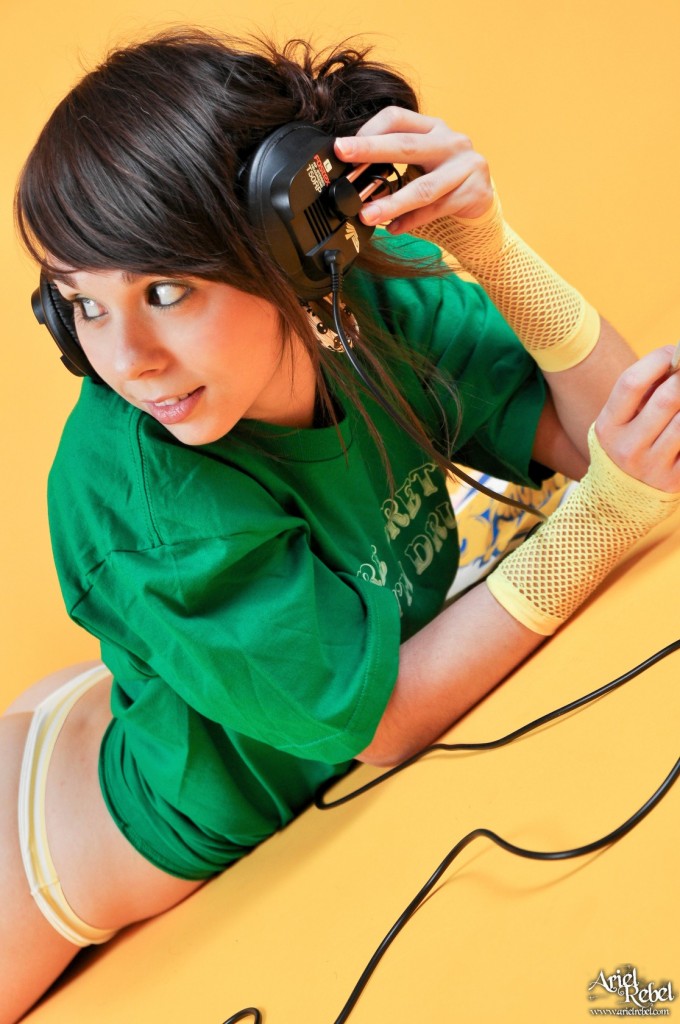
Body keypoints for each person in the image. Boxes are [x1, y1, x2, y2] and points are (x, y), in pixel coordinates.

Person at [3, 28, 680, 1024]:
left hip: (200, 679)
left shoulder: (361, 299)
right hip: (59, 841)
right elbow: (387, 722)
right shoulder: (137, 498)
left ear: (287, 239)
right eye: (82, 306)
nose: (128, 358)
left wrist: (491, 246)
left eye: (164, 291)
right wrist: (602, 521)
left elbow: (612, 438)